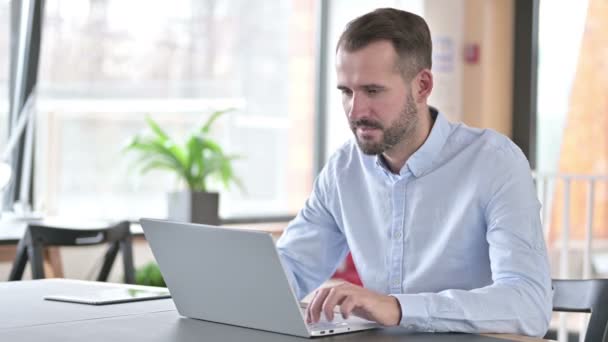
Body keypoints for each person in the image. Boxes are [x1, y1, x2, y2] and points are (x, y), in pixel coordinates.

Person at [275, 7, 552, 337]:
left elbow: (528, 305)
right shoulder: (343, 169)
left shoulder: (495, 162)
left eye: (373, 91)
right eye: (346, 92)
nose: (356, 110)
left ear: (422, 86)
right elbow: (289, 270)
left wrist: (398, 307)